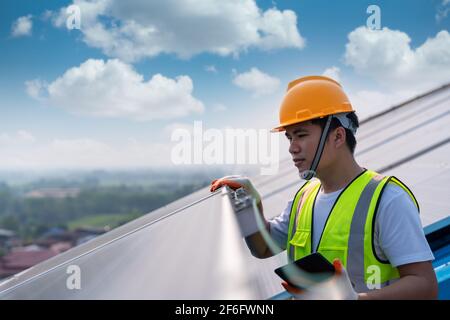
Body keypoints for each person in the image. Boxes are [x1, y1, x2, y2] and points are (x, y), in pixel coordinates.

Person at [210, 76, 438, 299]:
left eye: (301, 135)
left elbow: (425, 286)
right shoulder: (304, 200)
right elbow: (264, 248)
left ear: (338, 136)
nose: (292, 148)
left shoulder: (387, 199)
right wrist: (249, 206)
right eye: (289, 138)